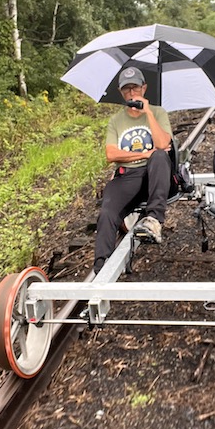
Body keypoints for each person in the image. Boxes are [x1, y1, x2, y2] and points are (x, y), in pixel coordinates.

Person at [93, 67, 173, 275]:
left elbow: (163, 143)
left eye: (135, 87)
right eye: (126, 89)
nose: (131, 93)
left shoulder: (158, 112)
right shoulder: (115, 121)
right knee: (107, 213)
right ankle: (102, 270)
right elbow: (111, 154)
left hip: (155, 174)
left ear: (144, 88)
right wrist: (144, 154)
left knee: (159, 156)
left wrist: (147, 113)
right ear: (121, 92)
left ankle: (154, 220)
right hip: (127, 175)